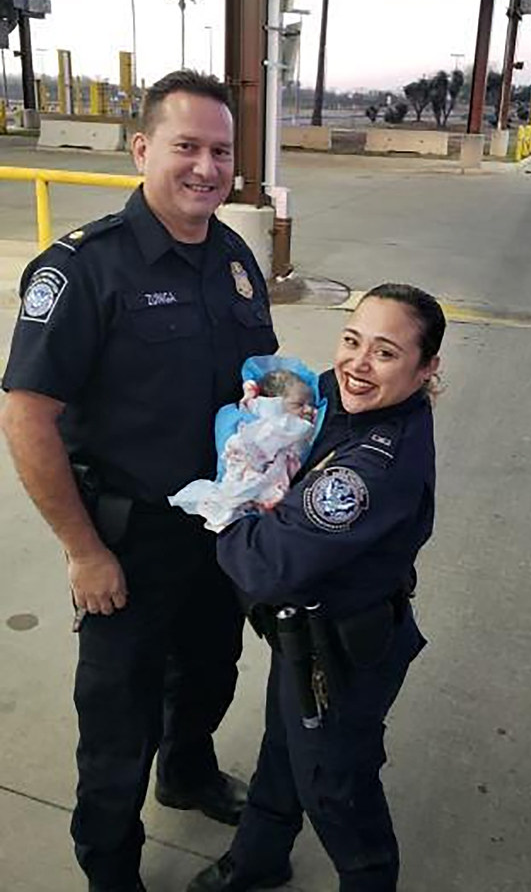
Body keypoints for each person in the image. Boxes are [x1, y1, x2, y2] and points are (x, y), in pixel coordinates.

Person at [0, 69, 278, 892]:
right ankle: (110, 869)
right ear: (141, 149)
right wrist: (84, 552)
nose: (205, 167)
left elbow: (251, 379)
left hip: (218, 527)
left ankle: (186, 773)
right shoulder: (83, 270)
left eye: (220, 151)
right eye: (186, 146)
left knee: (211, 668)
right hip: (125, 537)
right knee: (116, 719)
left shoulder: (232, 255)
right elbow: (27, 418)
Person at [187, 283, 446, 892]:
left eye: (385, 353)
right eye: (352, 340)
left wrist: (231, 507)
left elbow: (268, 566)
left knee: (337, 786)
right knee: (283, 748)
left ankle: (369, 878)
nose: (357, 364)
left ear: (426, 367)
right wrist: (275, 403)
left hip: (342, 653)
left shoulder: (371, 471)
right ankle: (257, 861)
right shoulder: (357, 399)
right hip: (305, 637)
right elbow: (309, 391)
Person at [170, 355, 323, 531]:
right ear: (271, 402)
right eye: (299, 404)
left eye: (312, 404)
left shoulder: (305, 429)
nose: (309, 410)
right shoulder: (245, 421)